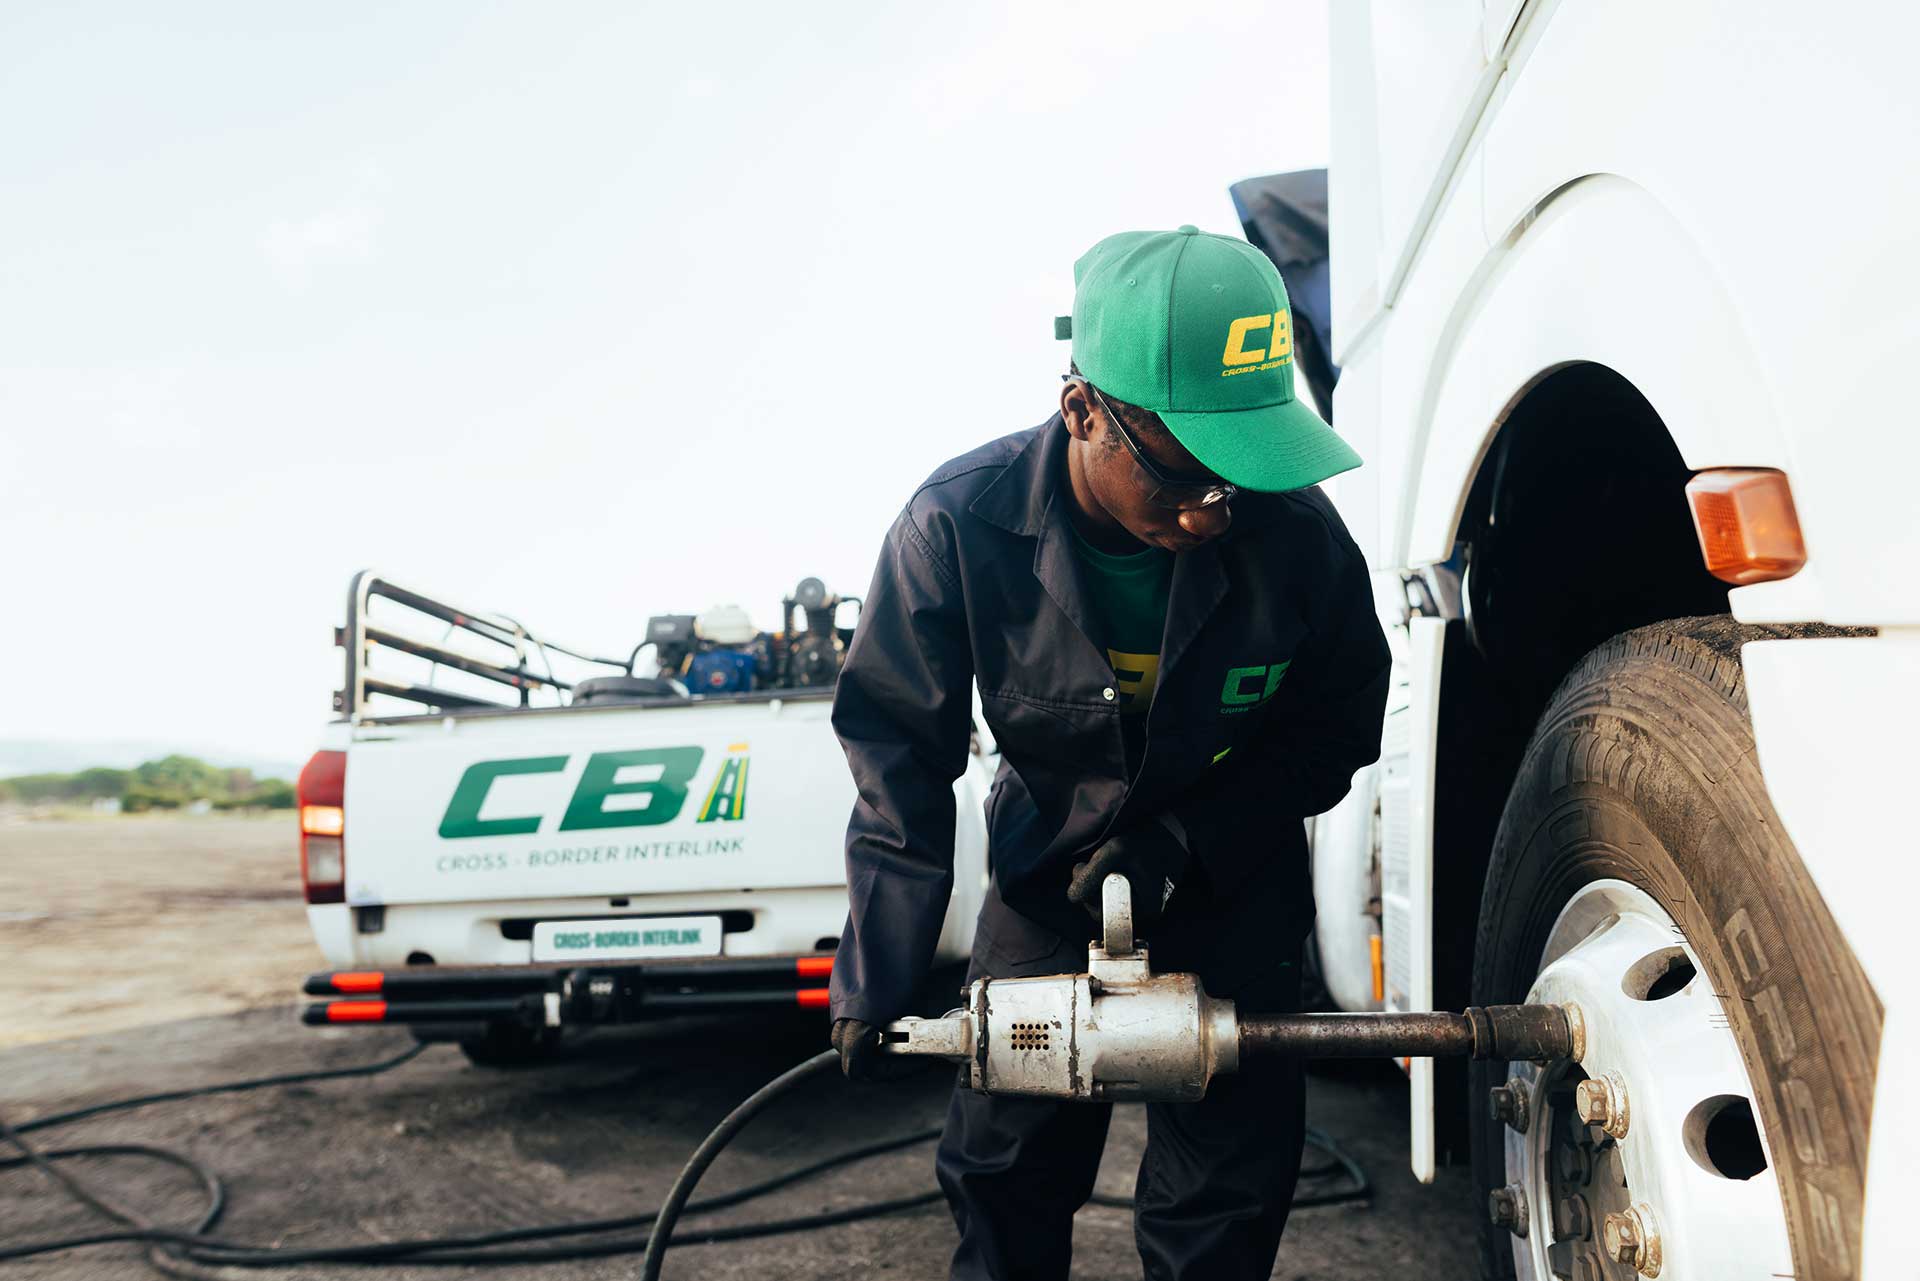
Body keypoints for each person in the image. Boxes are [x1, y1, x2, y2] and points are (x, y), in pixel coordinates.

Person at [826, 225, 1391, 1281]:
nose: (1216, 508)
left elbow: (1339, 725)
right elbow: (900, 749)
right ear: (1082, 409)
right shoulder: (955, 528)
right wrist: (879, 972)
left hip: (1233, 888)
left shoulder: (1298, 540)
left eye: (1240, 475)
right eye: (1187, 472)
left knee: (1222, 1207)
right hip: (1048, 887)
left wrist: (1191, 838)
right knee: (1005, 1181)